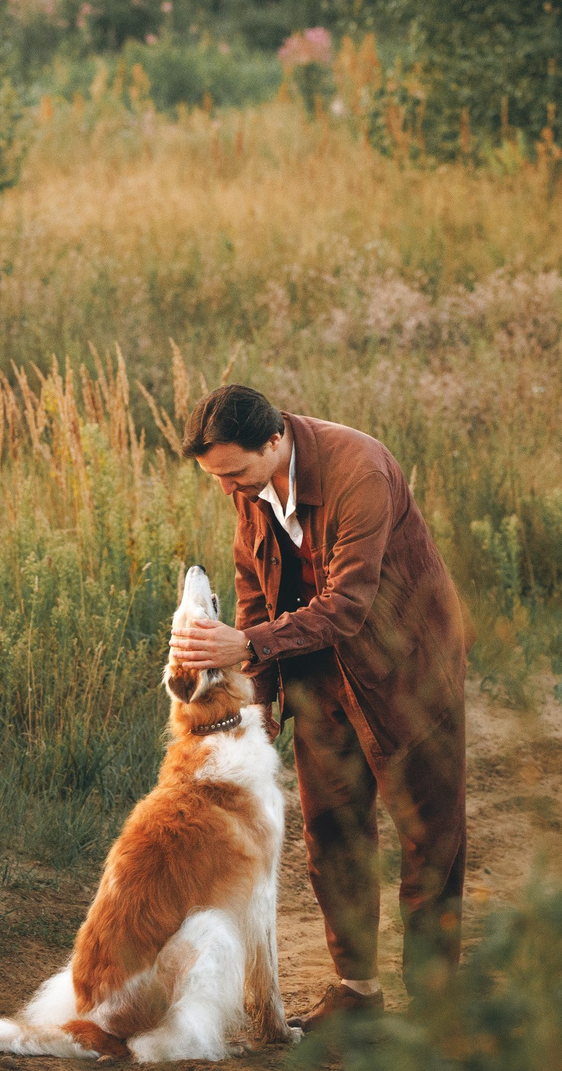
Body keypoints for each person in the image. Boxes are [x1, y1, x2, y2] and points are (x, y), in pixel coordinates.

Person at [168, 384, 468, 1028]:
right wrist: (259, 701)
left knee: (429, 833)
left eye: (234, 474)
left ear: (274, 440)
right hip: (317, 670)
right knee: (331, 831)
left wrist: (248, 644)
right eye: (217, 478)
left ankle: (438, 1003)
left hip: (408, 669)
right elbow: (253, 590)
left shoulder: (360, 472)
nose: (228, 489)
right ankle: (358, 995)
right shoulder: (250, 485)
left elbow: (347, 606)